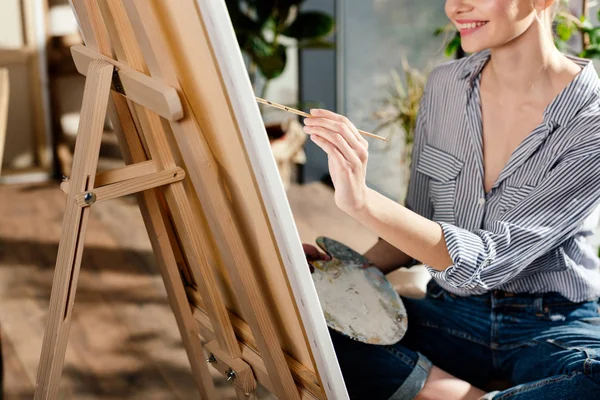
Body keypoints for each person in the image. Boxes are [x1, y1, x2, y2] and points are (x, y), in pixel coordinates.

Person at [301, 0, 600, 399]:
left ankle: (429, 390)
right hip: (449, 314)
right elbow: (416, 221)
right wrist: (348, 275)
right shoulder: (445, 86)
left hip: (551, 325)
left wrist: (362, 202)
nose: (454, 7)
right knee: (307, 326)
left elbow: (488, 262)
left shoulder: (592, 121)